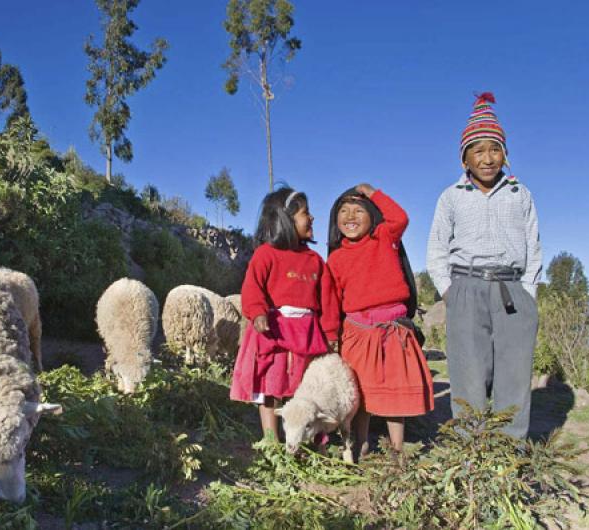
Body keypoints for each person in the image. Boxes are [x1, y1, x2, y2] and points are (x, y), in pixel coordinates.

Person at [426, 92, 541, 439]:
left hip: (512, 291)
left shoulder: (520, 194)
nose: (488, 158)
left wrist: (529, 294)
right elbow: (436, 249)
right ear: (465, 159)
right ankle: (471, 462)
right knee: (469, 379)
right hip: (466, 288)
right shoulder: (451, 196)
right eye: (479, 150)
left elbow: (533, 247)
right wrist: (451, 292)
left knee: (514, 379)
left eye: (495, 149)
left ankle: (509, 464)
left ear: (505, 155)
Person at [326, 184, 434, 457]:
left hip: (393, 331)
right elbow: (331, 301)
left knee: (394, 394)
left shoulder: (384, 237)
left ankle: (397, 449)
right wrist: (331, 333)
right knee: (359, 394)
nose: (350, 216)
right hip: (357, 332)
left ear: (372, 215)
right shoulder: (336, 259)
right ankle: (359, 442)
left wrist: (373, 193)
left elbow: (401, 217)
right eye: (343, 211)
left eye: (358, 210)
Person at [230, 186, 338, 441]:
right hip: (275, 330)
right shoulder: (266, 254)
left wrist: (331, 332)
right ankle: (271, 440)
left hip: (306, 333)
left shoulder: (314, 260)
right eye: (305, 213)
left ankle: (300, 438)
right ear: (286, 220)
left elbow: (328, 299)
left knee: (302, 387)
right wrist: (257, 312)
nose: (311, 218)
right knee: (271, 386)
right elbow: (252, 286)